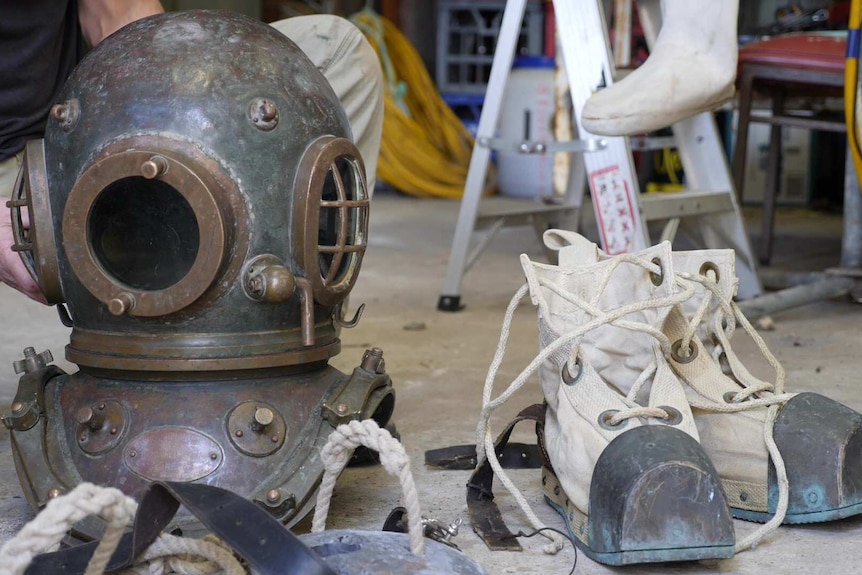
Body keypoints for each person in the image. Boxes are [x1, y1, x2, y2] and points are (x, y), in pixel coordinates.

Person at [0, 1, 383, 303]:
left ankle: (281, 336)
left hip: (71, 132)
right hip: (13, 179)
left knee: (338, 50)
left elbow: (121, 17)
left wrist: (177, 112)